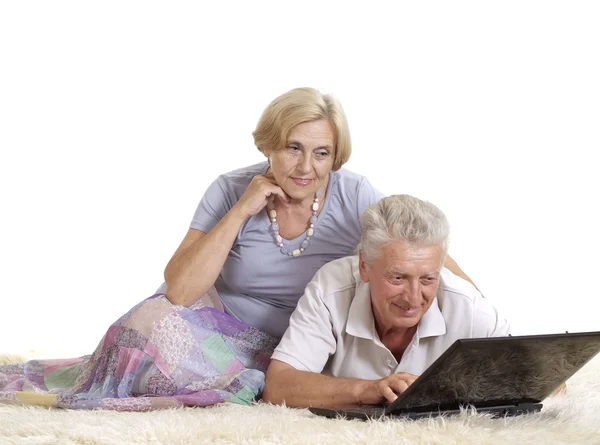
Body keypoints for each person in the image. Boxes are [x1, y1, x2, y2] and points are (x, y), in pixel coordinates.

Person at [0, 89, 475, 411]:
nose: (306, 166)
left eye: (322, 152)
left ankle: (248, 385)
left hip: (305, 342)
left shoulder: (355, 195)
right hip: (219, 333)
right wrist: (241, 211)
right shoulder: (230, 189)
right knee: (144, 326)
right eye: (292, 147)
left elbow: (418, 253)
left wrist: (488, 318)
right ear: (268, 144)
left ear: (336, 155)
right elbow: (180, 291)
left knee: (184, 363)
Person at [262, 194, 510, 409]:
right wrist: (368, 390)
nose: (413, 298)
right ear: (364, 267)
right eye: (398, 277)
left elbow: (531, 375)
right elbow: (278, 385)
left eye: (427, 279)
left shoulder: (467, 303)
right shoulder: (331, 287)